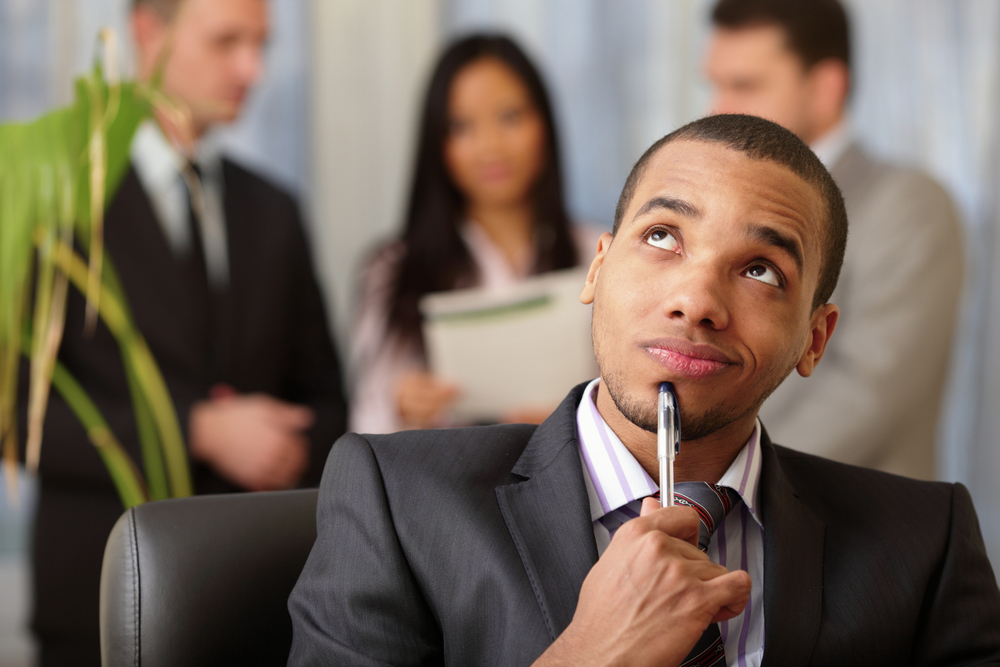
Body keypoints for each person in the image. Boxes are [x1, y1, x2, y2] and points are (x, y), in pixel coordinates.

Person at [287, 114, 1000, 666]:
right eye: (663, 236)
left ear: (816, 337)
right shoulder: (397, 500)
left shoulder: (925, 543)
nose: (697, 301)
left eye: (761, 270)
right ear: (596, 270)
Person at [27, 0, 347, 664]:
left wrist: (288, 444)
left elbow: (329, 400)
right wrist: (198, 428)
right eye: (227, 40)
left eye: (261, 43)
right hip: (96, 595)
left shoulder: (274, 211)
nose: (252, 68)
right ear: (150, 33)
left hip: (261, 595)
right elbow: (18, 416)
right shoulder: (51, 197)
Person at [704, 0, 964, 480]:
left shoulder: (909, 205)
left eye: (745, 85)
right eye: (715, 84)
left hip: (853, 526)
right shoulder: (712, 203)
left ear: (825, 89)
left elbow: (869, 394)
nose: (718, 108)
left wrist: (709, 473)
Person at [349, 34, 602, 434]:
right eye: (462, 126)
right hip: (442, 489)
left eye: (510, 117)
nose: (491, 147)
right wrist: (403, 406)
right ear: (438, 142)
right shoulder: (394, 270)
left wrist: (578, 421)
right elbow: (366, 428)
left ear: (544, 124)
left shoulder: (602, 254)